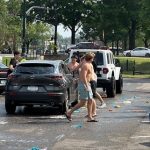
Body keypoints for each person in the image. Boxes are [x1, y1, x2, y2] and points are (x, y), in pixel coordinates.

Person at [65, 53, 98, 122]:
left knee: (90, 100)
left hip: (87, 84)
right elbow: (83, 77)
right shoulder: (86, 65)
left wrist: (73, 70)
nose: (93, 59)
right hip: (84, 84)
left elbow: (78, 67)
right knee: (83, 102)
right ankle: (69, 113)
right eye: (93, 58)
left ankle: (90, 117)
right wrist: (86, 86)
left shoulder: (87, 63)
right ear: (91, 59)